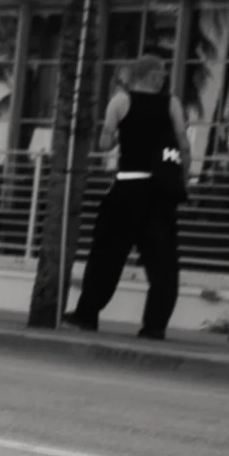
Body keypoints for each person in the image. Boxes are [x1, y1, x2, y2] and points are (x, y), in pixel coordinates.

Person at [67, 53, 188, 339]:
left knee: (107, 254)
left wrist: (124, 134)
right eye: (161, 74)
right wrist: (182, 180)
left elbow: (106, 141)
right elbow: (183, 144)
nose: (163, 78)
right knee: (163, 262)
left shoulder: (121, 101)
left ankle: (87, 313)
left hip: (128, 187)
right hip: (160, 190)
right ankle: (155, 326)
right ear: (153, 76)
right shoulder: (172, 103)